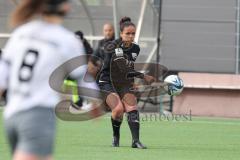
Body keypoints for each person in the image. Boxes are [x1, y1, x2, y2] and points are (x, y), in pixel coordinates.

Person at [0, 0, 93, 159]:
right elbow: (83, 77)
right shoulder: (67, 40)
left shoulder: (21, 32)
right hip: (38, 115)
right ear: (65, 7)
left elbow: (3, 74)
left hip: (11, 114)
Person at [98, 17, 155, 149]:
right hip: (107, 81)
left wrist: (132, 82)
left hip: (123, 83)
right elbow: (123, 67)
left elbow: (129, 66)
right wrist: (143, 76)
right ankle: (116, 136)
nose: (131, 36)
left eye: (133, 33)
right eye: (127, 33)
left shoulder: (136, 48)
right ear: (121, 34)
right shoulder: (113, 47)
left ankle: (135, 141)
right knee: (118, 110)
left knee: (132, 108)